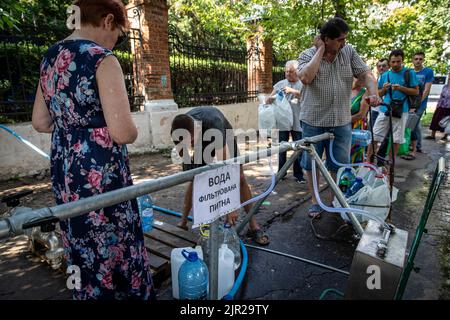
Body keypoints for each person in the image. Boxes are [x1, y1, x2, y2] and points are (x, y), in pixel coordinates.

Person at [31, 0, 153, 300]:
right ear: (108, 20)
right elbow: (123, 132)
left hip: (66, 171)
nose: (117, 42)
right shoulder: (101, 59)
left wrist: (72, 129)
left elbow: (40, 122)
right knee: (116, 244)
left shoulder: (49, 58)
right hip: (100, 172)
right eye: (120, 34)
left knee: (81, 243)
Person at [297, 17, 379, 218]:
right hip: (313, 121)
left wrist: (373, 92)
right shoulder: (307, 55)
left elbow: (366, 73)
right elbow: (306, 78)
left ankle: (337, 199)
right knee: (311, 164)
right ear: (326, 39)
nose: (344, 43)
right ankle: (315, 202)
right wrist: (320, 51)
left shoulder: (348, 52)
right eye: (340, 39)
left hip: (341, 122)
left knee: (340, 165)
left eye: (345, 39)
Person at [171, 107, 270, 245]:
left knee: (239, 178)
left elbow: (227, 168)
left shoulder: (214, 123)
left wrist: (231, 207)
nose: (190, 146)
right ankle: (183, 222)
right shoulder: (179, 129)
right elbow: (183, 155)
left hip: (224, 137)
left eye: (191, 142)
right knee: (195, 180)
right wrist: (191, 169)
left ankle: (254, 226)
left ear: (197, 128)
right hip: (202, 142)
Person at [371, 49, 419, 163]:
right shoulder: (385, 75)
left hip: (402, 110)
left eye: (398, 61)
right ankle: (369, 161)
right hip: (385, 109)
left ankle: (390, 163)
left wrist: (401, 88)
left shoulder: (409, 73)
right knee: (375, 135)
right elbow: (378, 94)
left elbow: (416, 91)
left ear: (402, 60)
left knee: (396, 138)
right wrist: (384, 89)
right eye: (393, 62)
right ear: (390, 62)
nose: (396, 64)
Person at [265, 60, 305, 183]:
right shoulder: (279, 84)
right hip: (282, 122)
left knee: (298, 148)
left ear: (297, 72)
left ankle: (298, 175)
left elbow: (306, 97)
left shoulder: (303, 84)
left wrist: (292, 91)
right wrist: (270, 99)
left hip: (298, 121)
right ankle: (281, 173)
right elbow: (269, 99)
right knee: (282, 148)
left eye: (291, 71)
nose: (288, 74)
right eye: (286, 71)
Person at [401, 51, 434, 160]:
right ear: (412, 60)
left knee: (412, 125)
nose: (418, 61)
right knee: (414, 124)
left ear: (423, 60)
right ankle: (416, 145)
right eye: (416, 59)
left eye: (420, 59)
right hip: (408, 103)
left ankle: (415, 148)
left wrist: (417, 104)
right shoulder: (409, 72)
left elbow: (426, 90)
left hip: (420, 104)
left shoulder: (428, 72)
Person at [350, 77, 369, 163]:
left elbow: (361, 114)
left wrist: (342, 121)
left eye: (359, 77)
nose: (357, 79)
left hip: (356, 128)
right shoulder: (344, 89)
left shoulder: (364, 92)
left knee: (354, 156)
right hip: (340, 127)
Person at [427, 72, 450, 141]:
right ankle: (432, 135)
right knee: (435, 120)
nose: (449, 77)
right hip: (441, 106)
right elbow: (441, 96)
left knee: (447, 121)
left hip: (449, 107)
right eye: (449, 75)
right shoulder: (445, 86)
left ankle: (445, 136)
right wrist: (438, 105)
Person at [370, 58, 389, 128]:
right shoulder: (378, 78)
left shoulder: (389, 77)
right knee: (372, 132)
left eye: (384, 66)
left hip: (384, 110)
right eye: (379, 66)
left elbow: (378, 93)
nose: (381, 68)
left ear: (388, 67)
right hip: (375, 109)